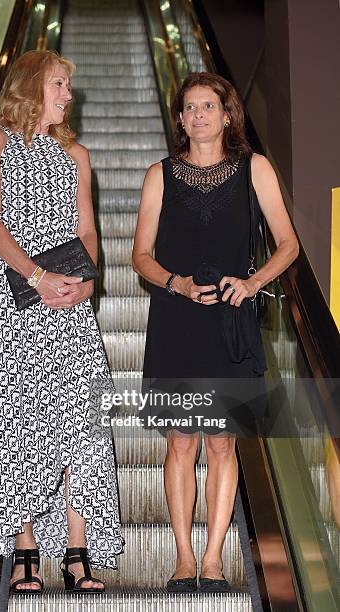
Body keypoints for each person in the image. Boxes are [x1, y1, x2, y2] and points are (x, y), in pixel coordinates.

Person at [132, 72, 299, 593]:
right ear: (180, 119)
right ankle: (183, 558)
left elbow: (289, 244)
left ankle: (213, 561)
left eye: (209, 106)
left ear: (228, 115)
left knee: (224, 444)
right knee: (181, 443)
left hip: (232, 320)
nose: (199, 114)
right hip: (178, 320)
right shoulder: (160, 174)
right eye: (190, 107)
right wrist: (175, 283)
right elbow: (139, 256)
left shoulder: (256, 168)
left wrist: (252, 284)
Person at [0, 50, 123, 594]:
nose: (67, 95)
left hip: (70, 306)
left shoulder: (76, 154)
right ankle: (25, 548)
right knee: (17, 422)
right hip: (14, 302)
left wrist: (85, 283)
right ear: (32, 86)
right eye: (59, 84)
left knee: (79, 421)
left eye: (66, 87)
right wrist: (36, 276)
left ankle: (77, 551)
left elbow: (87, 232)